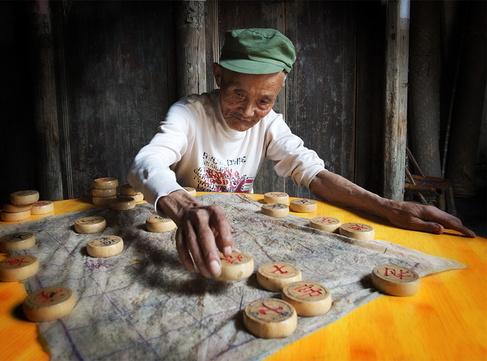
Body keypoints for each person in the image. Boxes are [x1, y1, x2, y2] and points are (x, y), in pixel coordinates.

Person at [128, 28, 475, 279]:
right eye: (237, 94)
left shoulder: (270, 124)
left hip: (237, 233)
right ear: (219, 75)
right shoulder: (189, 114)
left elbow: (314, 174)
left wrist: (389, 206)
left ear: (277, 91)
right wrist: (184, 205)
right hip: (186, 229)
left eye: (264, 101)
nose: (249, 112)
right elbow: (146, 162)